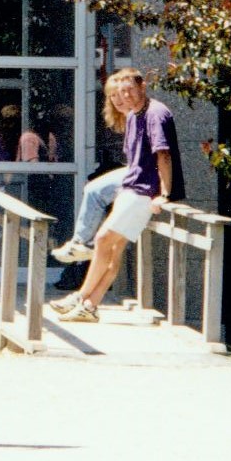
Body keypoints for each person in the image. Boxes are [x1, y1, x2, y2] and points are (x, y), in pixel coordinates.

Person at [53, 67, 186, 322]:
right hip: (131, 185)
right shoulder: (135, 114)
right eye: (120, 92)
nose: (124, 96)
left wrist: (165, 194)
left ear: (142, 87)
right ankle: (90, 305)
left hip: (145, 190)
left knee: (103, 239)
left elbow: (164, 155)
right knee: (112, 249)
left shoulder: (155, 113)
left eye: (129, 90)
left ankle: (81, 296)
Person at [51, 76, 127, 266]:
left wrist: (165, 190)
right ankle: (85, 291)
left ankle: (81, 241)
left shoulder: (146, 115)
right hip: (133, 173)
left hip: (144, 175)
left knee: (94, 192)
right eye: (113, 96)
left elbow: (161, 156)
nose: (118, 100)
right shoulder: (127, 119)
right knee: (104, 241)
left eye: (122, 95)